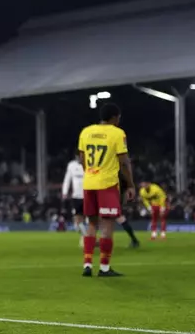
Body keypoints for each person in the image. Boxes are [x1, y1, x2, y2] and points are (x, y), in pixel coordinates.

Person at [78, 103, 135, 277]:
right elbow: (124, 162)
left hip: (89, 182)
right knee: (108, 224)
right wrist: (130, 185)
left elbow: (82, 159)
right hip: (107, 184)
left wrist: (90, 173)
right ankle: (104, 268)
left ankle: (87, 264)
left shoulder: (85, 131)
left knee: (92, 223)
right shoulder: (118, 133)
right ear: (115, 117)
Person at [62, 152, 86, 246]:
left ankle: (86, 238)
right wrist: (65, 192)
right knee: (77, 222)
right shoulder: (71, 165)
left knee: (89, 219)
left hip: (87, 195)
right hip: (76, 196)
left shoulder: (88, 164)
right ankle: (85, 236)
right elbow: (67, 179)